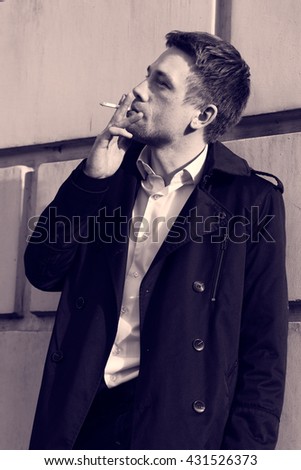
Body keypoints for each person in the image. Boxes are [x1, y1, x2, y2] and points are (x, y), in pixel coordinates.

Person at [25, 31, 288, 450]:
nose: (137, 90)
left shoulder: (250, 201)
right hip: (81, 418)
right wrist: (90, 181)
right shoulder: (109, 175)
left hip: (175, 427)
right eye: (147, 75)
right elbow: (42, 270)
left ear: (201, 115)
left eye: (160, 84)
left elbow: (263, 351)